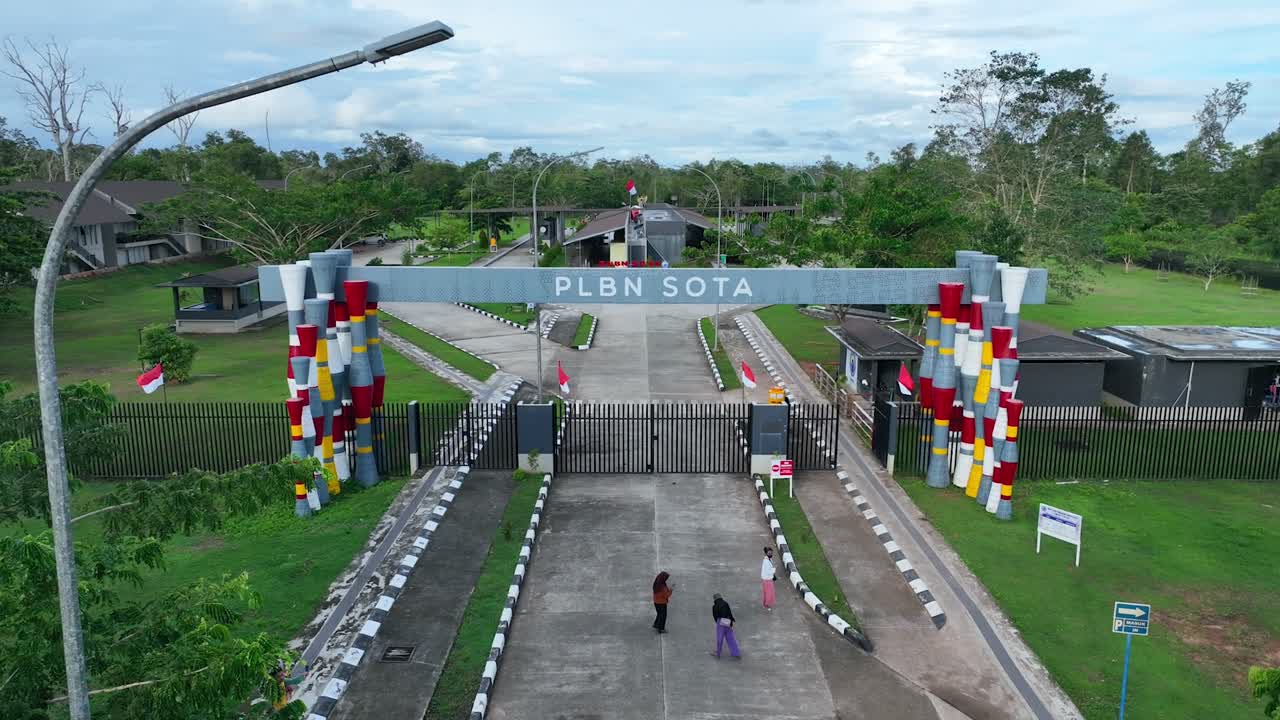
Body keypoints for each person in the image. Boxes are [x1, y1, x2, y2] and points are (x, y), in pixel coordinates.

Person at [711, 593, 741, 659]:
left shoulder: (714, 606)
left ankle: (718, 653)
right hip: (727, 621)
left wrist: (718, 622)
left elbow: (715, 617)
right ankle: (736, 653)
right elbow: (729, 612)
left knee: (720, 638)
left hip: (720, 622)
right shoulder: (725, 603)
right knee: (731, 638)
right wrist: (731, 620)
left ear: (715, 599)